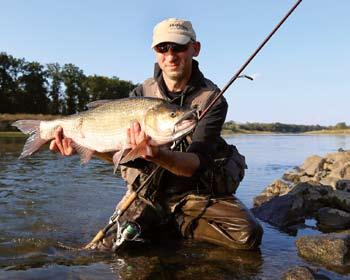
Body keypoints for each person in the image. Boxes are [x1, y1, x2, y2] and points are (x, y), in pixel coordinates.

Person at [50, 18, 263, 251]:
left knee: (247, 235)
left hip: (194, 195)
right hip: (146, 194)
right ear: (155, 52)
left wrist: (155, 154)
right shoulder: (140, 94)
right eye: (163, 48)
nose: (170, 56)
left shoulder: (212, 100)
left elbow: (196, 163)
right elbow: (120, 156)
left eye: (179, 47)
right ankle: (165, 226)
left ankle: (176, 224)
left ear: (195, 48)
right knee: (113, 249)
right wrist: (86, 147)